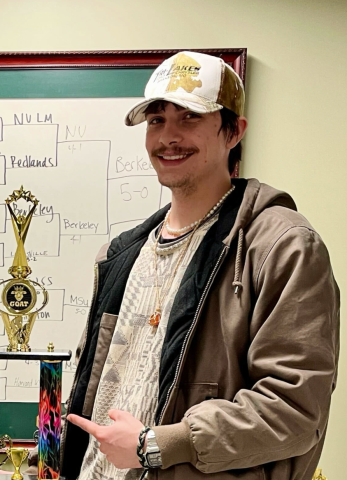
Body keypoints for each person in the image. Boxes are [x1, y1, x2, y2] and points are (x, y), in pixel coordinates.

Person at [62, 51, 340, 480]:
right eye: (156, 120)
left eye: (189, 117)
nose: (168, 137)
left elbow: (295, 409)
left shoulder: (283, 247)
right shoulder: (120, 255)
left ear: (234, 132)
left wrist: (155, 446)